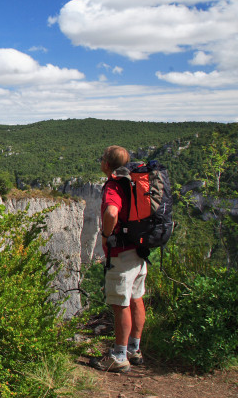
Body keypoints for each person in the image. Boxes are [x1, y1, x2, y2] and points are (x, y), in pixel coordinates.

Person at [90, 145, 146, 373]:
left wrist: (105, 236)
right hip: (139, 251)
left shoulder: (113, 186)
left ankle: (119, 356)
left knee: (120, 304)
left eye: (102, 158)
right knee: (136, 298)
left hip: (122, 254)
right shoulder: (132, 182)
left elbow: (112, 212)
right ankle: (134, 349)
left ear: (106, 164)